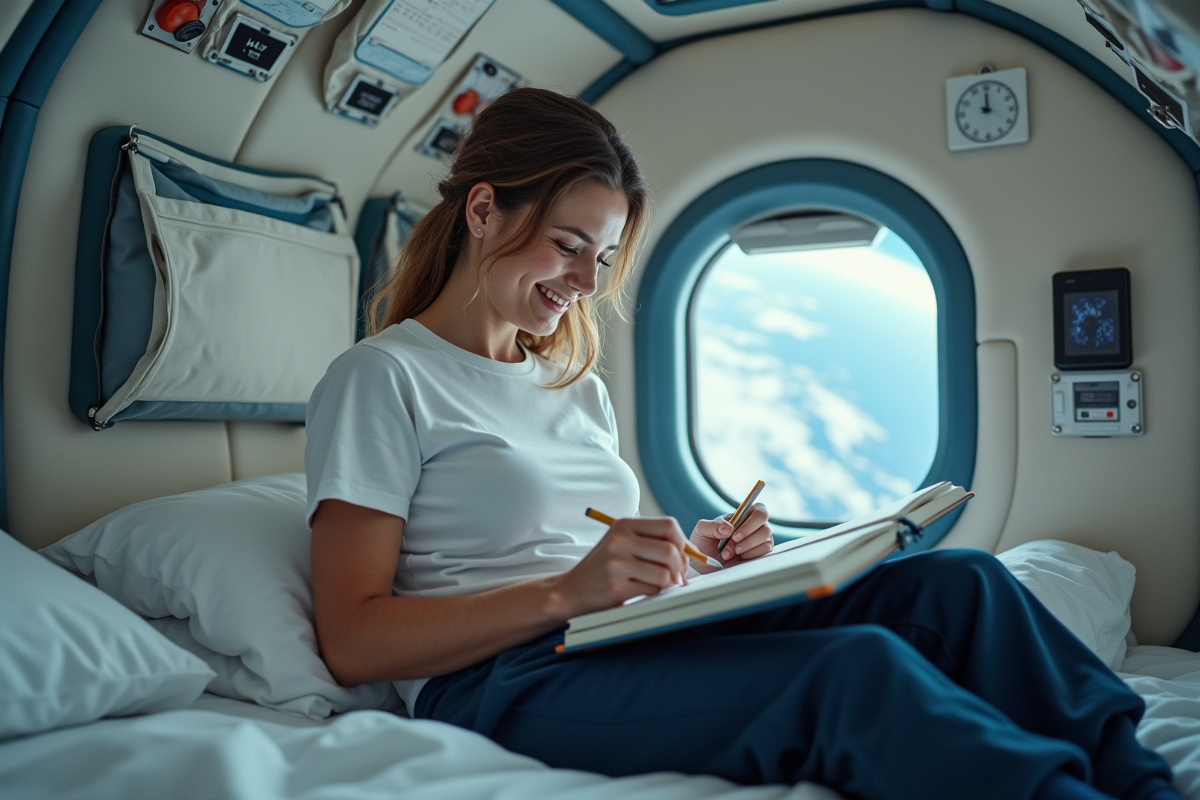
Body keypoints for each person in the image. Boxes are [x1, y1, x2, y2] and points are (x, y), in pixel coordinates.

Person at [304, 87, 1178, 800]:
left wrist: (696, 559)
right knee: (856, 671)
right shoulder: (381, 378)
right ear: (485, 212)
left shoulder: (572, 388)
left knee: (965, 587)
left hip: (611, 634)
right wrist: (566, 593)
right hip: (503, 684)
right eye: (569, 247)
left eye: (601, 261)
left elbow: (595, 548)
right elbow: (354, 639)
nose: (582, 284)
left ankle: (1142, 786)